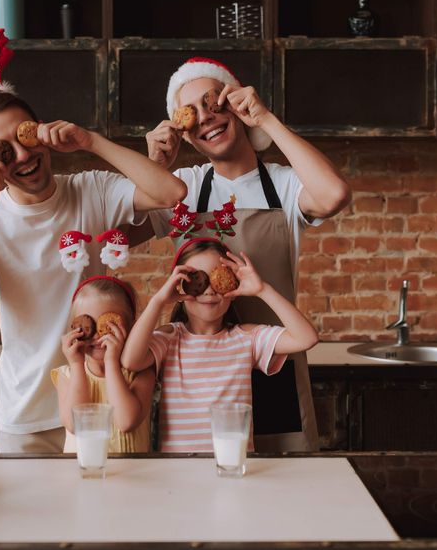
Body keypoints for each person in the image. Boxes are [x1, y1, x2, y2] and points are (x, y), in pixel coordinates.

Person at [0, 88, 186, 453]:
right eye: (3, 150)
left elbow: (172, 194)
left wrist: (89, 140)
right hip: (25, 415)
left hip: (98, 406)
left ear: (40, 129)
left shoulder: (91, 190)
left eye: (24, 135)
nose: (24, 155)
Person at [135, 57, 352, 452]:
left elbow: (334, 195)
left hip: (274, 359)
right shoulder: (183, 187)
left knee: (279, 493)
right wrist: (153, 167)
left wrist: (266, 120)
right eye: (192, 113)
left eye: (213, 102)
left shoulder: (284, 185)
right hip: (200, 373)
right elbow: (121, 234)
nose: (205, 118)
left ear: (236, 104)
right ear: (184, 133)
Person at [121, 238, 319, 452]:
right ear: (180, 287)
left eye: (216, 280)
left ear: (232, 286)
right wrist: (158, 301)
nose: (208, 291)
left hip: (235, 465)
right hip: (179, 470)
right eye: (198, 280)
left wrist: (262, 289)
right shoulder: (169, 338)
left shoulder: (246, 338)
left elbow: (306, 338)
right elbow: (131, 361)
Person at [51, 276, 155, 453]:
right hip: (82, 475)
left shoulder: (141, 373)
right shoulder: (67, 375)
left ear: (131, 327)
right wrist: (76, 364)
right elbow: (75, 425)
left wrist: (111, 362)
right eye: (86, 326)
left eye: (109, 325)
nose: (97, 335)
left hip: (134, 475)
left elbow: (126, 421)